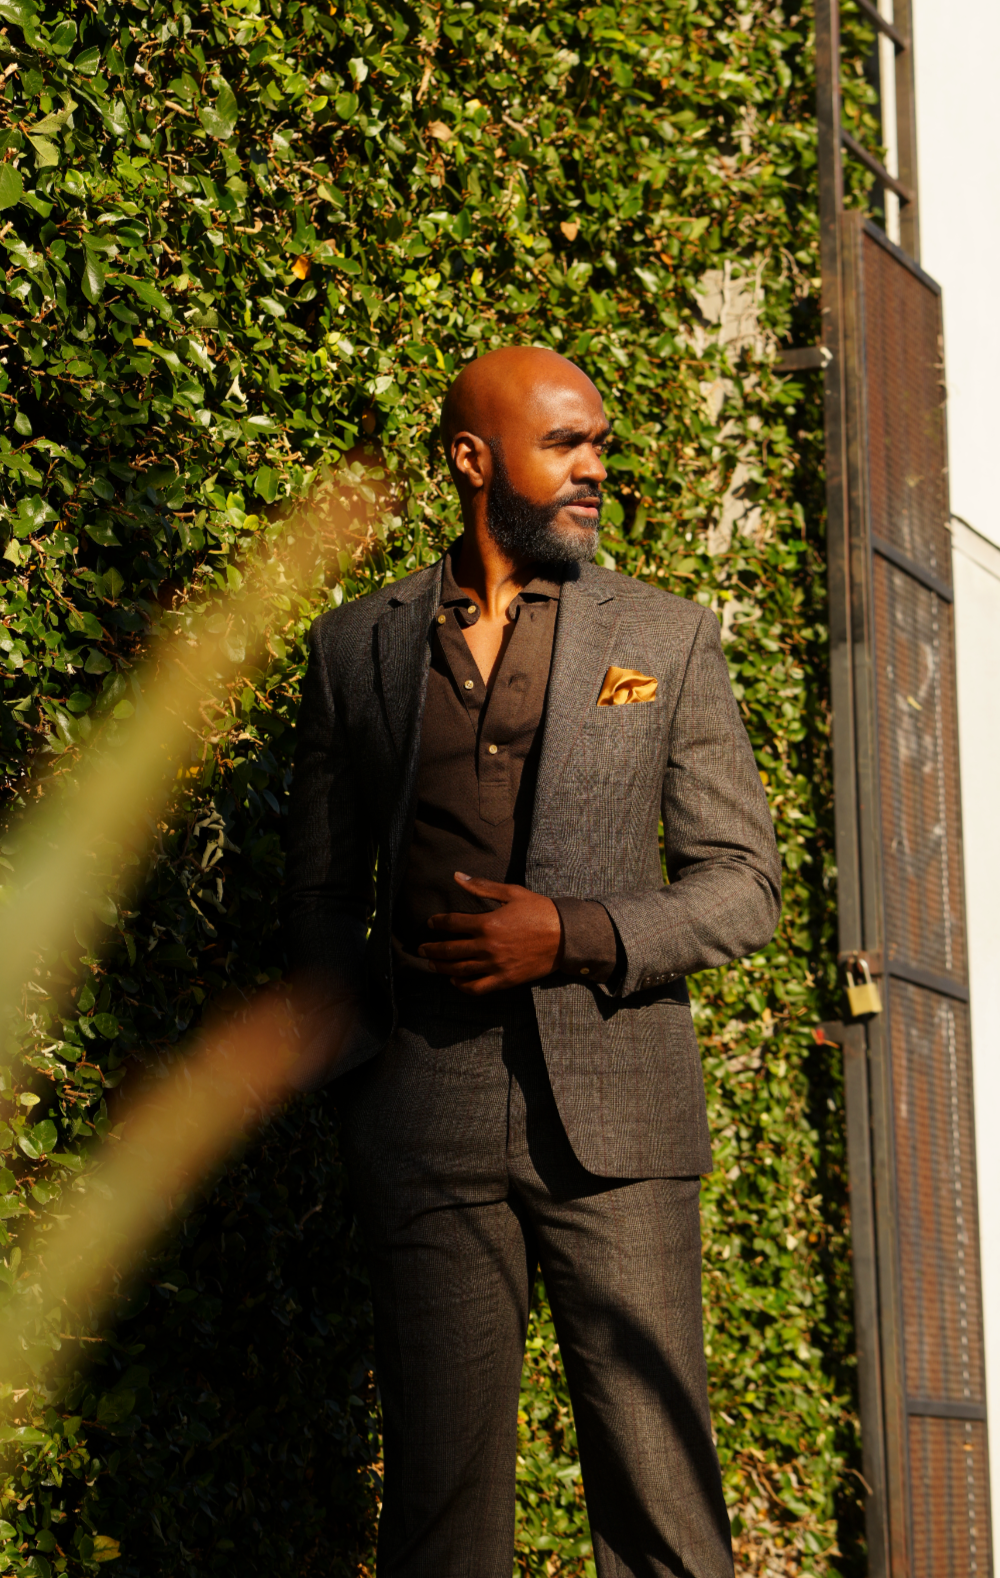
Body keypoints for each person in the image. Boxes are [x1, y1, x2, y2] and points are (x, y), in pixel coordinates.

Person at [282, 345, 780, 1578]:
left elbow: (743, 888)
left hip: (617, 1121)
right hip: (422, 1116)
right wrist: (359, 1065)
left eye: (598, 443)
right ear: (471, 460)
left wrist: (575, 933)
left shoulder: (665, 638)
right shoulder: (358, 648)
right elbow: (314, 889)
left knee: (660, 1497)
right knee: (440, 1517)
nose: (594, 468)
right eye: (565, 444)